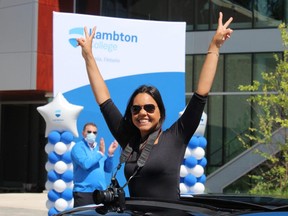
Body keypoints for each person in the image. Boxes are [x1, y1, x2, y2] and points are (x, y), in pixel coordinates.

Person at [76, 12, 233, 201]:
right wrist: (88, 56)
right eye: (136, 109)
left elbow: (200, 94)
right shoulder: (128, 139)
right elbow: (104, 100)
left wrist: (214, 46)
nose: (142, 113)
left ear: (160, 113)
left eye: (149, 108)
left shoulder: (176, 136)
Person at [71, 122, 119, 207]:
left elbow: (108, 169)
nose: (92, 134)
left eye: (94, 132)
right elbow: (85, 164)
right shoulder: (78, 147)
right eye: (89, 132)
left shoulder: (98, 149)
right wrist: (100, 153)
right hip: (84, 193)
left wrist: (110, 155)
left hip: (100, 192)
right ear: (83, 133)